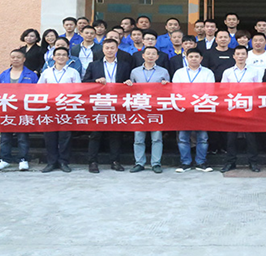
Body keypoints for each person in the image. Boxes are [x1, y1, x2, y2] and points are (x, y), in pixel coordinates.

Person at [83, 39, 132, 174]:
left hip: (117, 103)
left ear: (117, 49)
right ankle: (92, 162)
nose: (110, 50)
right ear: (102, 50)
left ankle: (115, 161)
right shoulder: (94, 65)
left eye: (112, 48)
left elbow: (129, 82)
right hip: (99, 103)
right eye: (107, 48)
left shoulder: (124, 65)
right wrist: (95, 81)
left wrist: (128, 83)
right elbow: (85, 82)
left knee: (115, 134)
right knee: (95, 134)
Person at [126, 46, 170, 174]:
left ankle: (156, 163)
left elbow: (169, 90)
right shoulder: (135, 72)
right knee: (138, 138)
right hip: (140, 107)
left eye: (153, 54)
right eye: (148, 53)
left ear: (157, 57)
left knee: (156, 138)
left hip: (156, 108)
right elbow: (130, 90)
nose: (150, 56)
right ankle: (139, 163)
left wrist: (166, 85)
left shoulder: (163, 72)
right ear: (143, 56)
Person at [0, 49, 38, 171]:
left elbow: (36, 93)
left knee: (22, 137)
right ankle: (4, 159)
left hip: (23, 109)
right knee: (5, 137)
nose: (15, 59)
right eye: (13, 57)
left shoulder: (31, 75)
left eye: (18, 57)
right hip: (6, 109)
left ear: (24, 59)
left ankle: (23, 159)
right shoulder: (4, 74)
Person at [38, 46, 81, 173]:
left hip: (66, 108)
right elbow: (39, 89)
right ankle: (51, 162)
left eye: (64, 55)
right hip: (49, 108)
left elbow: (78, 90)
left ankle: (63, 162)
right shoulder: (46, 72)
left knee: (65, 136)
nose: (61, 57)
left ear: (68, 58)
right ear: (53, 57)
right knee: (49, 136)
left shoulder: (73, 72)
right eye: (58, 55)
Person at [172, 48, 215, 172]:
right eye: (191, 57)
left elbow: (210, 90)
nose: (194, 59)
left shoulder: (208, 73)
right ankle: (185, 162)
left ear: (201, 58)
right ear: (186, 58)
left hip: (202, 108)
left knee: (202, 137)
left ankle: (201, 162)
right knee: (183, 137)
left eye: (196, 56)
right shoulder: (179, 73)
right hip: (184, 108)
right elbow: (176, 90)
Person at [220, 46, 262, 173]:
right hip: (232, 106)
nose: (240, 56)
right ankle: (230, 162)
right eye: (238, 54)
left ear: (247, 56)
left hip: (249, 106)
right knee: (231, 137)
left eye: (243, 54)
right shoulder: (227, 72)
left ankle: (253, 162)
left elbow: (259, 88)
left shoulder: (254, 71)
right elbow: (222, 89)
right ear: (234, 56)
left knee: (250, 137)